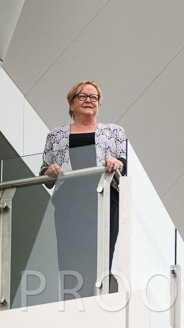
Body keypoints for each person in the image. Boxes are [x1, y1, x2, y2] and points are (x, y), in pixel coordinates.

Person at [40, 80, 127, 297]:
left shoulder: (114, 131)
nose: (89, 100)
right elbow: (45, 174)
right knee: (70, 257)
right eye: (83, 96)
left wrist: (116, 163)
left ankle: (99, 298)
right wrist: (50, 171)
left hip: (104, 201)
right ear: (71, 104)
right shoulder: (55, 135)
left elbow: (123, 165)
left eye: (94, 97)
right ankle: (73, 301)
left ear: (99, 104)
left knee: (101, 255)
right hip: (69, 204)